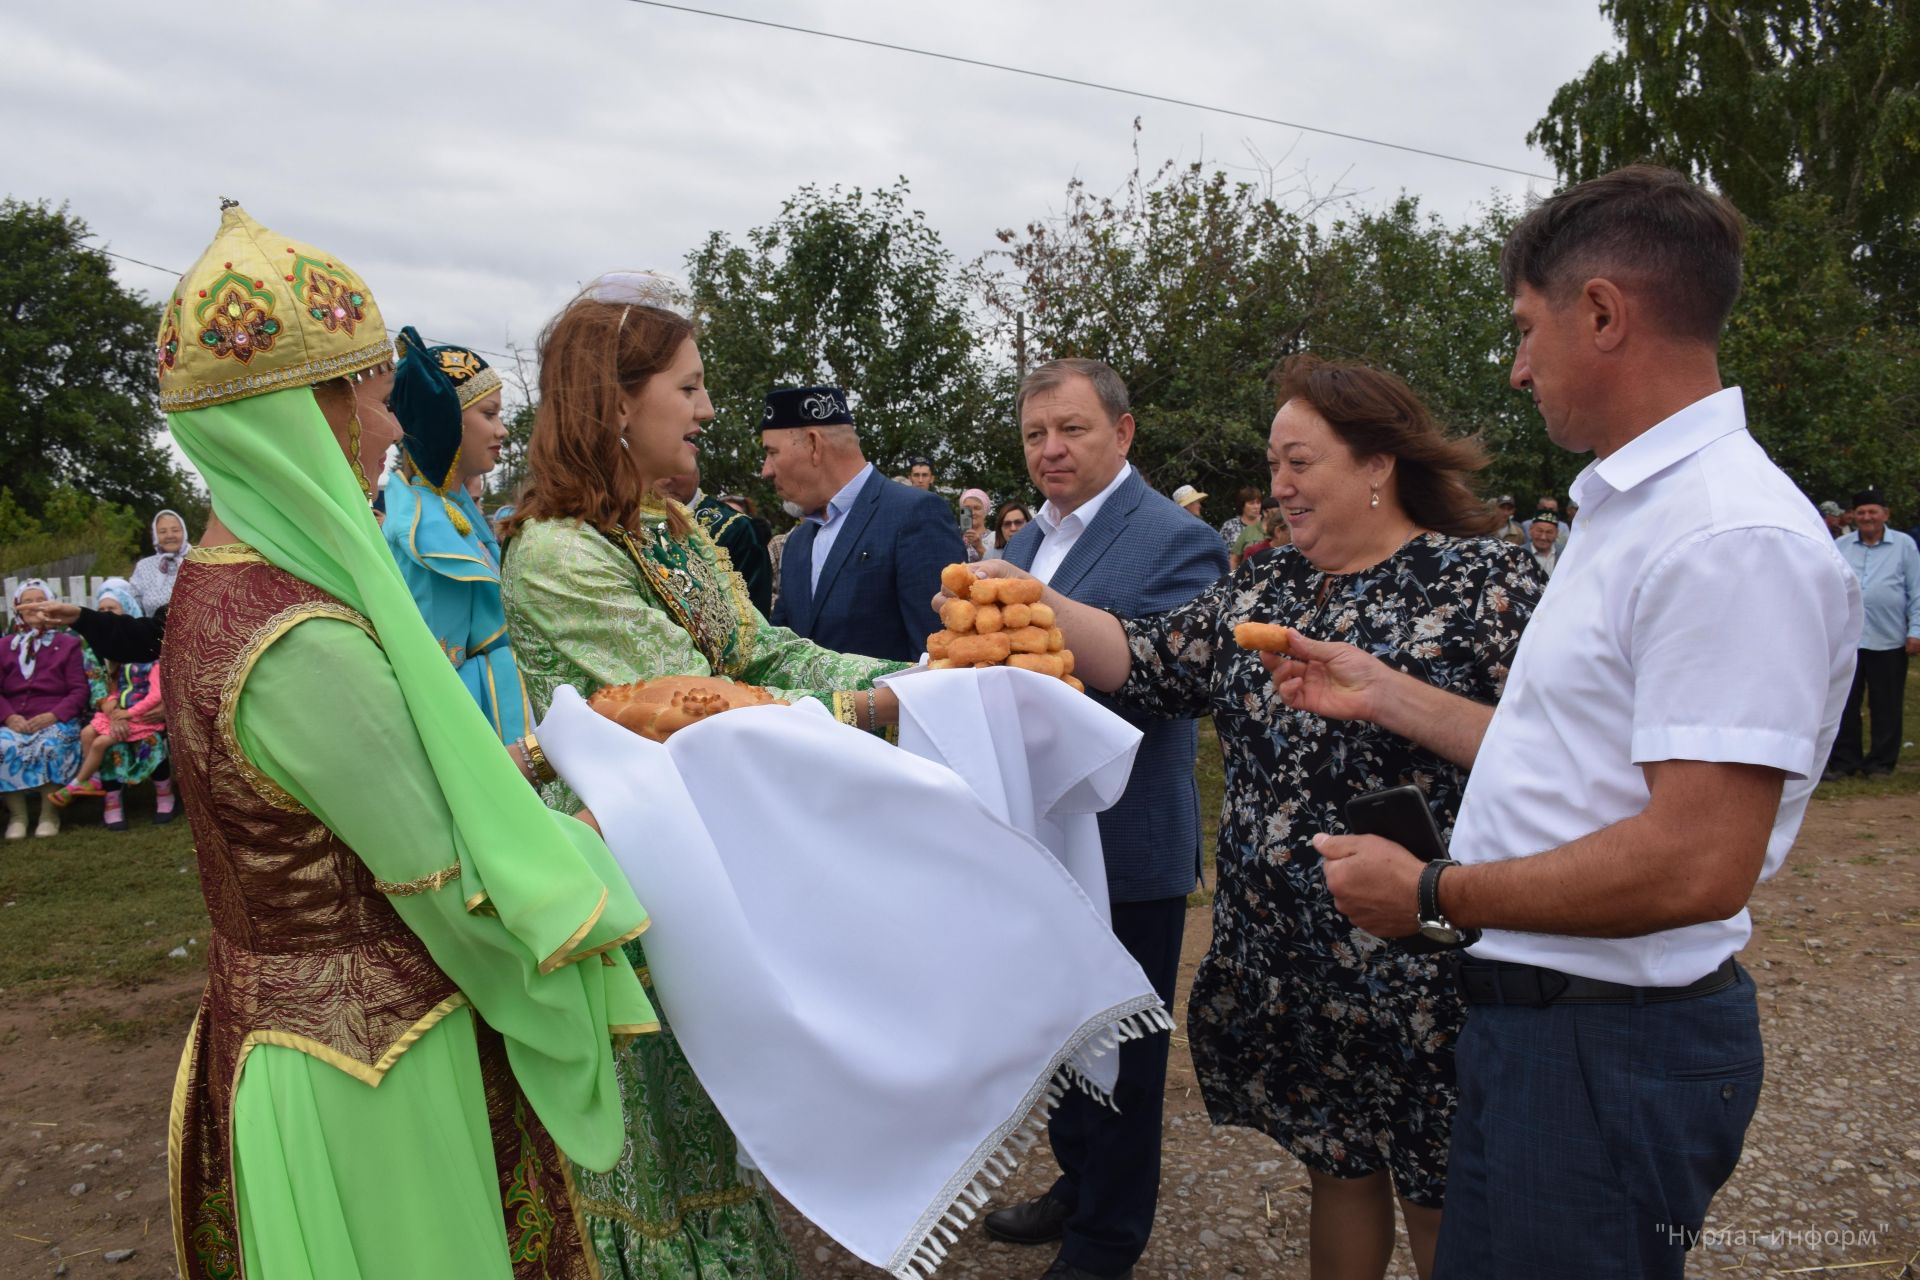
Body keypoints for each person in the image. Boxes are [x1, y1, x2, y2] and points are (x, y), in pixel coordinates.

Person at [1282, 166, 1860, 1280]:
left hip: (1608, 1038)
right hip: (1549, 1022)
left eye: (1524, 328)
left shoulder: (1726, 535)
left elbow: (1696, 859)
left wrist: (1430, 894)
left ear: (1602, 313)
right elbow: (1574, 760)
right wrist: (1384, 690)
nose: (1515, 367)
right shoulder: (1633, 508)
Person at [154, 203, 656, 1280]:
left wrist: (524, 763)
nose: (387, 431)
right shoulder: (301, 640)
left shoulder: (219, 588)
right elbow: (450, 890)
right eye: (368, 400)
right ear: (303, 414)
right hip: (374, 1070)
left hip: (286, 1039)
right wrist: (594, 876)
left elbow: (352, 802)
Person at [973, 355, 1539, 1280]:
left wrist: (1394, 699)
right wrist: (1029, 599)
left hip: (1424, 962)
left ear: (1376, 465)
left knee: (1443, 1191)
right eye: (1274, 464)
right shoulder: (1267, 585)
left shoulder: (1482, 585)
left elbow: (1557, 759)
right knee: (1338, 1172)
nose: (1278, 486)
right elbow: (1145, 658)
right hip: (1294, 962)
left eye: (1301, 462)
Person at [500, 274, 910, 1278]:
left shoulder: (669, 530)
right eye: (687, 387)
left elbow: (766, 658)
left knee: (712, 1117)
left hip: (694, 860)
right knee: (650, 1149)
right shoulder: (557, 556)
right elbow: (690, 704)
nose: (708, 409)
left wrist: (932, 675)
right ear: (616, 401)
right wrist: (881, 708)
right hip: (618, 889)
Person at [979, 358, 1227, 1280]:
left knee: (1123, 1046)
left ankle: (1108, 1238)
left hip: (1126, 840)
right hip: (1041, 834)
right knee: (1060, 1031)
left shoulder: (1176, 537)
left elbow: (1172, 684)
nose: (1051, 449)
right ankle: (1075, 1184)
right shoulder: (1030, 537)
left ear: (1123, 434)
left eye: (1072, 430)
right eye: (1036, 433)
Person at [382, 327, 532, 744]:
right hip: (483, 738)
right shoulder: (424, 533)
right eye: (489, 414)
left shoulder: (452, 509)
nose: (502, 431)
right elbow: (438, 676)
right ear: (445, 421)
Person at [763, 387, 963, 662]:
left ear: (813, 445)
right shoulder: (797, 542)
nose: (766, 470)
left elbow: (939, 658)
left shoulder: (915, 514)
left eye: (772, 453)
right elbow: (780, 652)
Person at [47, 579, 173, 829]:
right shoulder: (96, 649)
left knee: (108, 741)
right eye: (100, 609)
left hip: (142, 714)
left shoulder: (147, 649)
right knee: (93, 735)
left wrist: (129, 714)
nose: (105, 614)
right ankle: (107, 794)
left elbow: (157, 688)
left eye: (111, 609)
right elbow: (103, 684)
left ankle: (162, 792)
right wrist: (112, 710)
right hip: (115, 711)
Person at [1827, 488, 1920, 777]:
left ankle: (1881, 762)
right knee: (1845, 703)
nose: (1867, 517)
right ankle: (1845, 761)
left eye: (1873, 512)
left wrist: (1915, 629)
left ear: (1885, 515)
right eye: (1862, 512)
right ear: (1853, 516)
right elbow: (1831, 588)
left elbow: (1916, 590)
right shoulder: (1841, 545)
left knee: (1886, 705)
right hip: (1849, 640)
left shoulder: (1904, 545)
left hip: (1889, 638)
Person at [2, 580, 90, 839]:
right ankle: (18, 817)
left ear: (50, 605)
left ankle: (49, 815)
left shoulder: (68, 643)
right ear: (18, 607)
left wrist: (54, 715)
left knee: (51, 745)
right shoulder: (4, 646)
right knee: (2, 746)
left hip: (55, 717)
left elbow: (79, 690)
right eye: (26, 601)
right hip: (14, 719)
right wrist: (8, 717)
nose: (33, 606)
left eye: (39, 599)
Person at [129, 509, 194, 614]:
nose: (169, 535)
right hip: (153, 629)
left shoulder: (201, 562)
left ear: (184, 532)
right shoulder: (143, 567)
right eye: (162, 531)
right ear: (155, 535)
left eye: (175, 530)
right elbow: (133, 607)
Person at [959, 486, 997, 561]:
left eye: (977, 508)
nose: (972, 513)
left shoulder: (995, 538)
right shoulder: (954, 537)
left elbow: (999, 566)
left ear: (985, 511)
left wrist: (979, 547)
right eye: (967, 508)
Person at [1527, 510, 1560, 576]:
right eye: (1539, 531)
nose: (1543, 537)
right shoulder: (1518, 553)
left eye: (1549, 532)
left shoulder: (1565, 553)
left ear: (1557, 533)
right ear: (1530, 530)